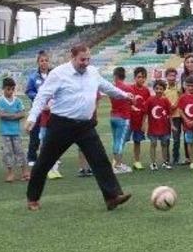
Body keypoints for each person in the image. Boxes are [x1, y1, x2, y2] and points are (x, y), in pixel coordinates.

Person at [24, 44, 134, 212]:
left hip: (85, 125)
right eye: (82, 60)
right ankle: (33, 198)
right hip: (61, 125)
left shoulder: (93, 72)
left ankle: (112, 197)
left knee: (100, 160)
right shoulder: (59, 74)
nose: (86, 63)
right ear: (73, 57)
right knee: (45, 161)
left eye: (88, 59)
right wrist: (32, 117)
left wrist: (125, 95)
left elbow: (106, 87)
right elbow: (42, 96)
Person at [0, 77, 28, 183]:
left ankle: (24, 172)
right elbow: (2, 115)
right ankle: (10, 173)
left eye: (12, 89)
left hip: (16, 132)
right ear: (3, 88)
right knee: (7, 152)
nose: (10, 91)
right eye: (8, 89)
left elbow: (23, 114)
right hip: (5, 132)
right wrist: (15, 115)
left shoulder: (18, 100)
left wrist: (9, 115)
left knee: (20, 151)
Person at [24, 51, 51, 166]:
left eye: (46, 60)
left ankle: (50, 156)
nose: (44, 63)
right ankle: (32, 157)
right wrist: (38, 97)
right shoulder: (33, 77)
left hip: (51, 110)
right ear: (38, 62)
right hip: (38, 110)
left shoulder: (53, 75)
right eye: (41, 61)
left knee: (50, 134)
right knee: (34, 134)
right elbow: (28, 91)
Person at [108, 67, 132, 174]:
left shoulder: (112, 87)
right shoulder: (128, 88)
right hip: (123, 117)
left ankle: (116, 163)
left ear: (115, 75)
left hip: (113, 115)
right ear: (124, 75)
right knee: (120, 141)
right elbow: (133, 102)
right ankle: (118, 165)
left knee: (116, 140)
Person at [145, 79, 173, 170]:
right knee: (153, 143)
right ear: (154, 89)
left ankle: (165, 162)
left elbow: (169, 114)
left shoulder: (166, 101)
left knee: (164, 144)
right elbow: (145, 113)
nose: (159, 91)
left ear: (164, 90)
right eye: (157, 88)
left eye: (161, 89)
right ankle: (153, 163)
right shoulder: (150, 100)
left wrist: (172, 125)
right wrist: (144, 124)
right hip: (153, 127)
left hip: (164, 126)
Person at [128, 67, 151, 170]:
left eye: (143, 77)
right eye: (139, 77)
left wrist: (144, 123)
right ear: (135, 78)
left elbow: (146, 109)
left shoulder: (146, 91)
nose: (141, 79)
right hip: (129, 121)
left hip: (139, 121)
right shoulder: (130, 89)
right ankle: (117, 161)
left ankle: (137, 161)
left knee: (137, 141)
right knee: (122, 141)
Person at [164, 68, 182, 166]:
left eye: (173, 76)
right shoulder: (163, 88)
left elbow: (181, 98)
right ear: (166, 77)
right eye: (170, 76)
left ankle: (176, 158)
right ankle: (166, 158)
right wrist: (168, 107)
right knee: (166, 138)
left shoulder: (178, 88)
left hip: (176, 116)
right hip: (166, 116)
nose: (172, 78)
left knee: (176, 138)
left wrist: (175, 105)